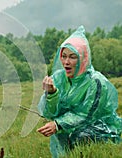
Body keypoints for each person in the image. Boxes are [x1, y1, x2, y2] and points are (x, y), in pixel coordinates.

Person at [36, 25, 122, 157]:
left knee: (82, 136)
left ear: (84, 59)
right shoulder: (59, 78)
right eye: (63, 56)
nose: (66, 62)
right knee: (64, 138)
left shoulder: (96, 81)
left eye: (72, 57)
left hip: (98, 128)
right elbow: (50, 113)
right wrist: (51, 94)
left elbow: (86, 115)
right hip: (69, 128)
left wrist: (58, 124)